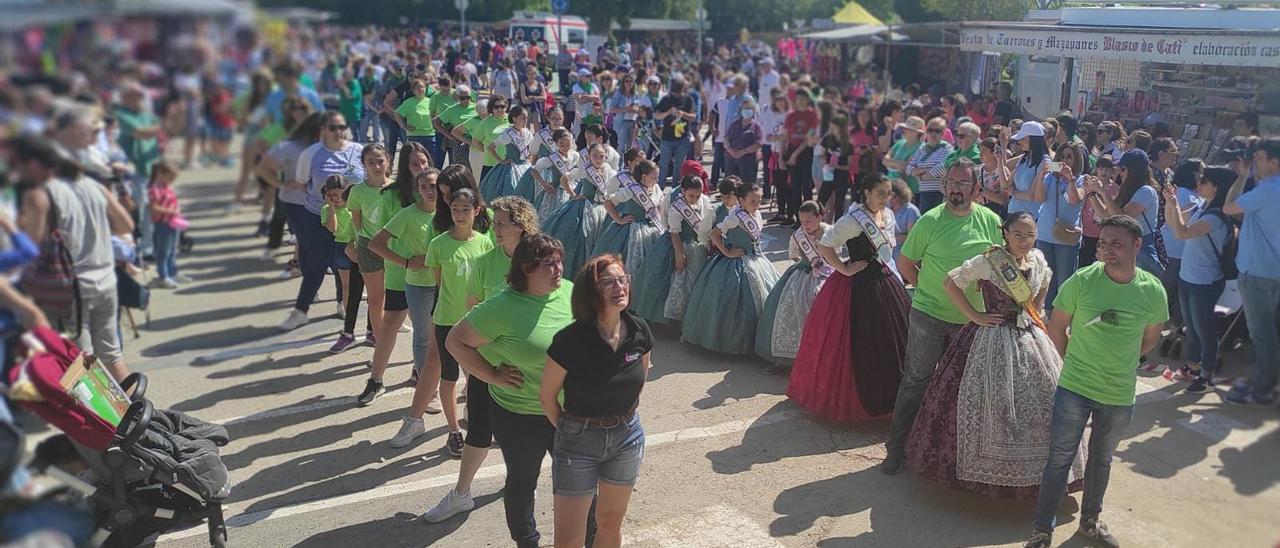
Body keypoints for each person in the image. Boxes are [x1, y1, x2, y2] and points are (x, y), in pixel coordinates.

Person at [907, 211, 1084, 498]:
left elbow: (1045, 280)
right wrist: (975, 315)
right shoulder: (990, 261)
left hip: (1030, 337)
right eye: (1017, 234)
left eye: (1029, 235)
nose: (1024, 241)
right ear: (1005, 234)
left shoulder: (1038, 259)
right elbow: (951, 282)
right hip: (989, 337)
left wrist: (1037, 308)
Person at [1024, 215, 1168, 548]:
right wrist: (1072, 363)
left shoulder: (1152, 290)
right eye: (1102, 242)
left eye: (1116, 243)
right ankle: (1041, 531)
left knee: (1101, 460)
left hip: (1118, 393)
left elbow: (1149, 340)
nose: (1106, 249)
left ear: (1137, 245)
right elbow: (1056, 328)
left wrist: (1121, 361)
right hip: (1075, 387)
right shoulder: (1081, 281)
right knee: (1059, 459)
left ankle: (1090, 522)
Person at [445, 234, 589, 548]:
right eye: (548, 264)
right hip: (521, 414)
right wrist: (491, 375)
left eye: (559, 261)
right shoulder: (501, 305)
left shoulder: (569, 292)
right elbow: (455, 341)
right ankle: (527, 541)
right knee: (524, 480)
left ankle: (585, 540)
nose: (558, 269)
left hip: (569, 413)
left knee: (579, 483)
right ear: (526, 268)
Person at [883, 159, 1004, 474]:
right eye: (951, 181)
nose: (955, 187)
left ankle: (948, 456)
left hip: (971, 323)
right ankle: (896, 448)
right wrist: (933, 289)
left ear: (977, 189)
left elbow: (999, 267)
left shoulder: (991, 221)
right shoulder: (929, 221)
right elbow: (907, 265)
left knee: (961, 388)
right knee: (915, 381)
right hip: (928, 316)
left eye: (963, 183)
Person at [542, 254, 653, 548]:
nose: (619, 287)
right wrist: (573, 429)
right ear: (591, 291)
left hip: (626, 438)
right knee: (569, 538)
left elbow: (639, 382)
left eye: (622, 279)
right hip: (577, 442)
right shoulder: (570, 339)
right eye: (608, 282)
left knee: (609, 523)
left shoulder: (640, 330)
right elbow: (548, 397)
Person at [14, 135, 135, 382]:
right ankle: (144, 413)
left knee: (79, 363)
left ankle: (101, 420)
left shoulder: (40, 195)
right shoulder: (94, 186)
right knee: (112, 356)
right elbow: (126, 224)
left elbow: (30, 248)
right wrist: (93, 229)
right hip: (106, 279)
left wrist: (14, 227)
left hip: (73, 287)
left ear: (35, 164)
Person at [789, 174, 909, 420]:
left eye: (888, 194)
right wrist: (844, 269)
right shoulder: (852, 220)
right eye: (880, 194)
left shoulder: (887, 215)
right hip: (858, 286)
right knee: (859, 339)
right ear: (866, 193)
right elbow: (826, 245)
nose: (886, 198)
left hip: (885, 280)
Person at [361, 165, 441, 406]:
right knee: (423, 337)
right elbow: (376, 244)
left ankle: (463, 392)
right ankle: (429, 392)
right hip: (419, 285)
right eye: (424, 187)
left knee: (450, 337)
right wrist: (406, 262)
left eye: (434, 186)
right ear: (417, 190)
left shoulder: (449, 212)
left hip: (447, 285)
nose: (429, 191)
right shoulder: (408, 214)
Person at [280, 111, 366, 331]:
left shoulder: (357, 151)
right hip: (318, 216)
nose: (338, 132)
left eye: (341, 127)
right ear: (322, 130)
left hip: (351, 218)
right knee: (317, 264)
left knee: (346, 264)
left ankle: (342, 303)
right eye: (332, 127)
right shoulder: (312, 154)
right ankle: (301, 311)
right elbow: (301, 183)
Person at [682, 182, 780, 354]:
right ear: (741, 200)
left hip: (756, 260)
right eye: (753, 201)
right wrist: (727, 252)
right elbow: (714, 234)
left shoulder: (755, 214)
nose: (757, 205)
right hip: (737, 263)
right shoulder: (735, 216)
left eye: (758, 201)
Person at [1162, 166, 1234, 393]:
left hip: (1205, 280)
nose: (1199, 184)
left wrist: (1174, 205)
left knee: (1204, 328)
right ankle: (1192, 366)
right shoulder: (1202, 206)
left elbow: (1182, 233)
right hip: (1188, 276)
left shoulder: (1215, 217)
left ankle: (1206, 374)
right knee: (1191, 326)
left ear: (1216, 187)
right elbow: (1173, 224)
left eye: (1204, 181)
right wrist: (1171, 201)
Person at [1221, 138, 1280, 406]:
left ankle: (1262, 388)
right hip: (1271, 270)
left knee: (1262, 333)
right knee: (1268, 331)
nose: (1254, 163)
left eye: (1259, 159)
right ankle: (1265, 381)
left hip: (1257, 271)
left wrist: (1242, 176)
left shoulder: (1267, 190)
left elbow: (1228, 207)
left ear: (1274, 163)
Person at [755, 200, 832, 369]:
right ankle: (790, 358)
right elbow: (794, 256)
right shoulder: (798, 235)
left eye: (808, 221)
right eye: (802, 221)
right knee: (791, 309)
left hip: (829, 275)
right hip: (803, 276)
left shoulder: (830, 232)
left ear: (819, 217)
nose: (804, 225)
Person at [633, 175, 714, 325]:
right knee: (670, 280)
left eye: (698, 195)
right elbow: (673, 232)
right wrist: (679, 254)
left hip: (698, 245)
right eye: (691, 195)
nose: (695, 198)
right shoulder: (676, 206)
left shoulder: (704, 200)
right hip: (677, 245)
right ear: (682, 191)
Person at [338, 143, 392, 342]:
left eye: (380, 161)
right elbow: (357, 223)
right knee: (375, 299)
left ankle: (387, 336)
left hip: (394, 248)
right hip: (369, 247)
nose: (377, 166)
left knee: (394, 299)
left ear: (388, 161)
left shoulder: (396, 188)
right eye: (371, 162)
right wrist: (351, 244)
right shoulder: (358, 192)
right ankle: (379, 341)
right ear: (363, 164)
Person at [1084, 149, 1165, 276]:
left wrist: (1103, 192)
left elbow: (1122, 219)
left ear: (1132, 170)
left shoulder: (1146, 191)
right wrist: (1091, 193)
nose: (1119, 173)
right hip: (1121, 245)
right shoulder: (1125, 190)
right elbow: (1105, 215)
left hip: (1139, 248)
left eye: (1122, 169)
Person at [542, 143, 617, 278]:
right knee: (583, 238)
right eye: (595, 156)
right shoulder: (585, 170)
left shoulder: (608, 170)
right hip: (586, 209)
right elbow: (564, 179)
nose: (598, 159)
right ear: (588, 157)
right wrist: (573, 195)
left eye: (601, 156)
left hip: (602, 209)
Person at [591, 159, 666, 278]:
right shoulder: (631, 190)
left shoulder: (656, 188)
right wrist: (618, 219)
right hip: (632, 230)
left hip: (652, 228)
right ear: (643, 177)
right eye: (654, 177)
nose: (657, 180)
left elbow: (660, 205)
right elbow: (608, 202)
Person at [1034, 142, 1085, 312]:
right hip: (1045, 235)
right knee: (1046, 278)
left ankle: (1063, 314)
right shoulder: (1051, 178)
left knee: (1064, 280)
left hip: (1066, 237)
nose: (1065, 161)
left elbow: (1074, 200)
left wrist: (1070, 179)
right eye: (1062, 157)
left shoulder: (1081, 179)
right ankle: (1047, 313)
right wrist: (1041, 176)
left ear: (1077, 159)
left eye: (1069, 157)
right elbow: (1039, 198)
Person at [778, 89, 818, 227]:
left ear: (807, 100)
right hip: (791, 151)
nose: (800, 101)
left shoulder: (812, 114)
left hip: (805, 152)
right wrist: (781, 156)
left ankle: (810, 218)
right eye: (798, 98)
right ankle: (797, 219)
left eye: (803, 98)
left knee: (806, 188)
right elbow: (785, 136)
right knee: (794, 187)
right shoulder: (791, 115)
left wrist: (796, 154)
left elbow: (809, 137)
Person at [479, 105, 534, 201]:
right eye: (523, 118)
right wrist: (501, 161)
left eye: (526, 118)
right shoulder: (508, 133)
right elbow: (490, 147)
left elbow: (531, 148)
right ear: (514, 118)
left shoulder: (526, 132)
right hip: (510, 168)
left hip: (524, 166)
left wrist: (529, 159)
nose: (526, 120)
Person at [146, 161, 186, 289]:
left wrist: (177, 209)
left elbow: (173, 201)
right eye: (171, 178)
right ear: (161, 174)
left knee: (173, 250)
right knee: (163, 252)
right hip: (162, 224)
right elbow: (153, 208)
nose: (172, 181)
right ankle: (163, 276)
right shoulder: (155, 189)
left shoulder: (167, 188)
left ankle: (172, 272)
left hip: (173, 222)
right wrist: (171, 211)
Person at [906, 117, 956, 213]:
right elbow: (909, 168)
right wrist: (925, 171)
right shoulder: (922, 149)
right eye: (930, 130)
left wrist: (923, 176)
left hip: (938, 193)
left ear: (943, 133)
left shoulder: (947, 148)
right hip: (923, 193)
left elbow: (944, 166)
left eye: (937, 131)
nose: (933, 134)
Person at [529, 128, 580, 221]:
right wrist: (544, 185)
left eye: (568, 145)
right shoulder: (551, 159)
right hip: (555, 191)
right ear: (556, 143)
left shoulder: (575, 155)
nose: (565, 148)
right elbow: (534, 171)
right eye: (562, 145)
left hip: (570, 188)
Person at [654, 77, 697, 188]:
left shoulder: (688, 99)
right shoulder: (666, 99)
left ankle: (675, 188)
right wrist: (668, 112)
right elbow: (656, 114)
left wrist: (683, 114)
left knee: (679, 164)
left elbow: (693, 117)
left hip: (683, 137)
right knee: (664, 163)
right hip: (667, 137)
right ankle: (660, 187)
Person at [1008, 121, 1051, 219]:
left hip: (1031, 218)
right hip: (1013, 214)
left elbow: (1032, 196)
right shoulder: (1023, 158)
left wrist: (1014, 193)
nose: (1019, 142)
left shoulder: (1046, 162)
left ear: (1033, 140)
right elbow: (1006, 185)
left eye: (1023, 138)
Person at [434, 86, 478, 169]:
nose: (465, 100)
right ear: (457, 97)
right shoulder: (452, 109)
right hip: (460, 142)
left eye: (467, 97)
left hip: (475, 141)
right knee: (460, 168)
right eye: (462, 98)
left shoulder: (476, 107)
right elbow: (436, 122)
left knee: (476, 168)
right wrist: (450, 137)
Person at [883, 116, 924, 197]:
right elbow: (884, 160)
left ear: (917, 132)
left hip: (908, 192)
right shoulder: (900, 142)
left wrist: (892, 163)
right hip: (891, 188)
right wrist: (898, 164)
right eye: (904, 128)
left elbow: (906, 166)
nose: (904, 130)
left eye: (908, 129)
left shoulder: (921, 148)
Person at [607, 75, 645, 153]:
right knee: (621, 147)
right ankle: (620, 165)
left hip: (633, 122)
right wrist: (626, 109)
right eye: (626, 81)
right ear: (623, 83)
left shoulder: (636, 94)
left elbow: (639, 108)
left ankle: (627, 165)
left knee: (629, 147)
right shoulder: (618, 93)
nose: (629, 83)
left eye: (631, 81)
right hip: (622, 122)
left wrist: (636, 109)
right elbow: (611, 109)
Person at [889, 179, 920, 261]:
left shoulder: (911, 211)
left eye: (893, 196)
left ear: (902, 195)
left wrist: (889, 238)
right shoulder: (885, 208)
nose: (890, 199)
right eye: (888, 196)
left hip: (903, 255)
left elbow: (912, 239)